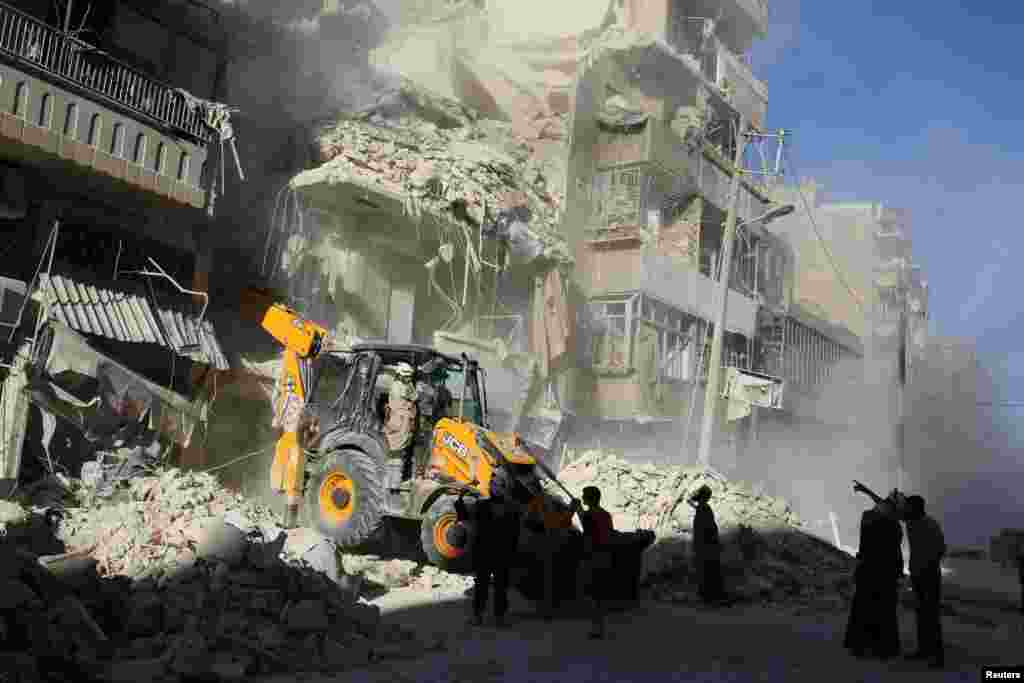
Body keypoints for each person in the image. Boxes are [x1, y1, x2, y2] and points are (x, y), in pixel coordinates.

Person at [455, 472, 522, 627]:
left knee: (497, 587)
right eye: (492, 485)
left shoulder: (507, 508)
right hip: (488, 553)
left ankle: (494, 617)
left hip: (496, 553)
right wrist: (460, 499)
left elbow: (515, 533)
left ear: (502, 489)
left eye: (496, 485)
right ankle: (484, 616)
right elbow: (464, 516)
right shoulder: (485, 505)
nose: (493, 488)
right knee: (487, 586)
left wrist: (513, 552)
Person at [844, 495, 904, 660]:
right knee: (883, 611)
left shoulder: (869, 519)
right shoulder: (893, 526)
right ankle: (882, 647)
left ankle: (861, 646)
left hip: (869, 571)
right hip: (884, 573)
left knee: (864, 608)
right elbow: (895, 552)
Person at [903, 495, 946, 669]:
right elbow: (888, 508)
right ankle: (924, 650)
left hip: (929, 576)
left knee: (931, 616)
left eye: (908, 506)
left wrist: (927, 565)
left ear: (917, 508)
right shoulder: (911, 521)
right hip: (918, 575)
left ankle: (937, 656)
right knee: (922, 613)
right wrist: (866, 492)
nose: (905, 510)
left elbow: (941, 549)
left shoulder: (930, 524)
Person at [524, 491, 578, 620]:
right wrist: (571, 509)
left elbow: (561, 522)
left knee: (548, 580)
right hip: (550, 550)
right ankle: (549, 609)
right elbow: (561, 522)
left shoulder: (539, 510)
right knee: (549, 580)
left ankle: (548, 609)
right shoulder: (544, 516)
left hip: (547, 550)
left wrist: (571, 509)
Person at [573, 485, 614, 639]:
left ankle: (597, 627)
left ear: (589, 498)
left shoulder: (590, 514)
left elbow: (588, 527)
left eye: (584, 495)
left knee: (593, 593)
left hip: (593, 556)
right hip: (605, 555)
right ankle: (599, 625)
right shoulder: (606, 514)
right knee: (599, 593)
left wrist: (577, 509)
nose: (582, 497)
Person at [688, 485, 726, 604]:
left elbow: (706, 528)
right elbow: (710, 528)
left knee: (706, 570)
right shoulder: (704, 508)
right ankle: (711, 596)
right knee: (709, 570)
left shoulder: (702, 508)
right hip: (707, 545)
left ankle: (708, 596)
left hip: (704, 544)